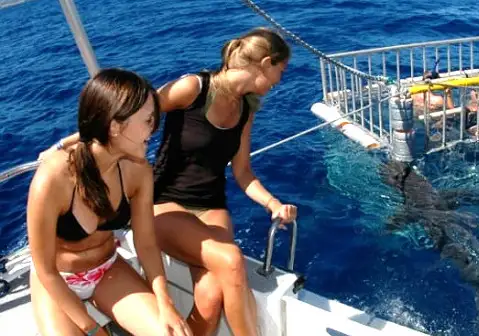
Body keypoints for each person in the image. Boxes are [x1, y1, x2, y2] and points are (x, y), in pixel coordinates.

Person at [39, 27, 298, 336]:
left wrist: (273, 204)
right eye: (280, 71)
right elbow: (129, 116)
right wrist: (68, 143)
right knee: (230, 260)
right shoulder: (192, 88)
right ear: (266, 62)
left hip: (211, 206)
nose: (279, 80)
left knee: (213, 291)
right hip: (166, 203)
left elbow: (242, 171)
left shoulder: (245, 111)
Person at [28, 68, 191, 336]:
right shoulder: (54, 178)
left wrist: (165, 302)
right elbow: (46, 270)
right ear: (115, 126)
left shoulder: (138, 172)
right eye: (148, 120)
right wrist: (91, 328)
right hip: (57, 281)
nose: (153, 129)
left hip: (107, 270)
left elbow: (147, 243)